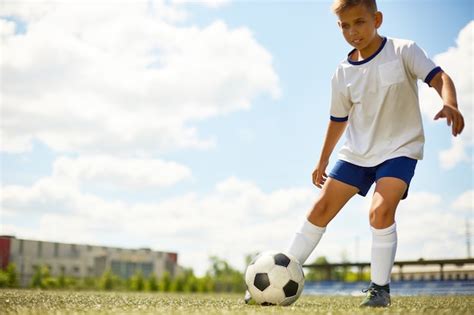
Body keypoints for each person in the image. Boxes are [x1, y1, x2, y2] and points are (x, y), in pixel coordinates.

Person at [284, 0, 465, 308]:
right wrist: (322, 159)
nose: (353, 32)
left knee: (379, 212)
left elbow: (439, 77)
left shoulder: (404, 50)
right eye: (345, 26)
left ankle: (379, 288)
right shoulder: (342, 73)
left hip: (399, 150)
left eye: (360, 22)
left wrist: (450, 103)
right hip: (356, 153)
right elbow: (337, 120)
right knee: (319, 209)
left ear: (377, 19)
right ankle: (282, 272)